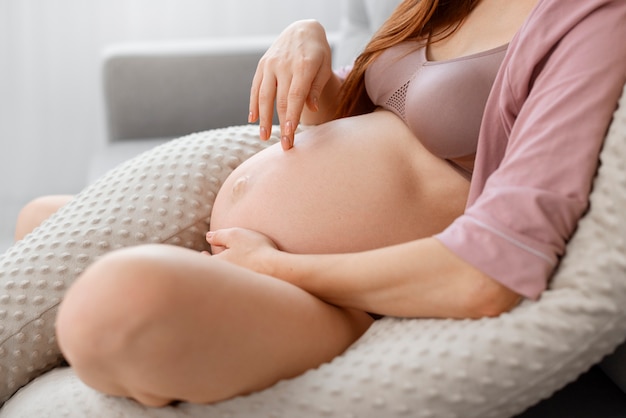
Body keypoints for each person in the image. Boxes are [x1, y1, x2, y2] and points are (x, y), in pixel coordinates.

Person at [9, 0, 626, 408]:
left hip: (346, 298)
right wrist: (305, 47)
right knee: (39, 217)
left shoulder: (593, 19)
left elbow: (490, 273)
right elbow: (375, 118)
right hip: (257, 255)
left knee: (115, 300)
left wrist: (273, 267)